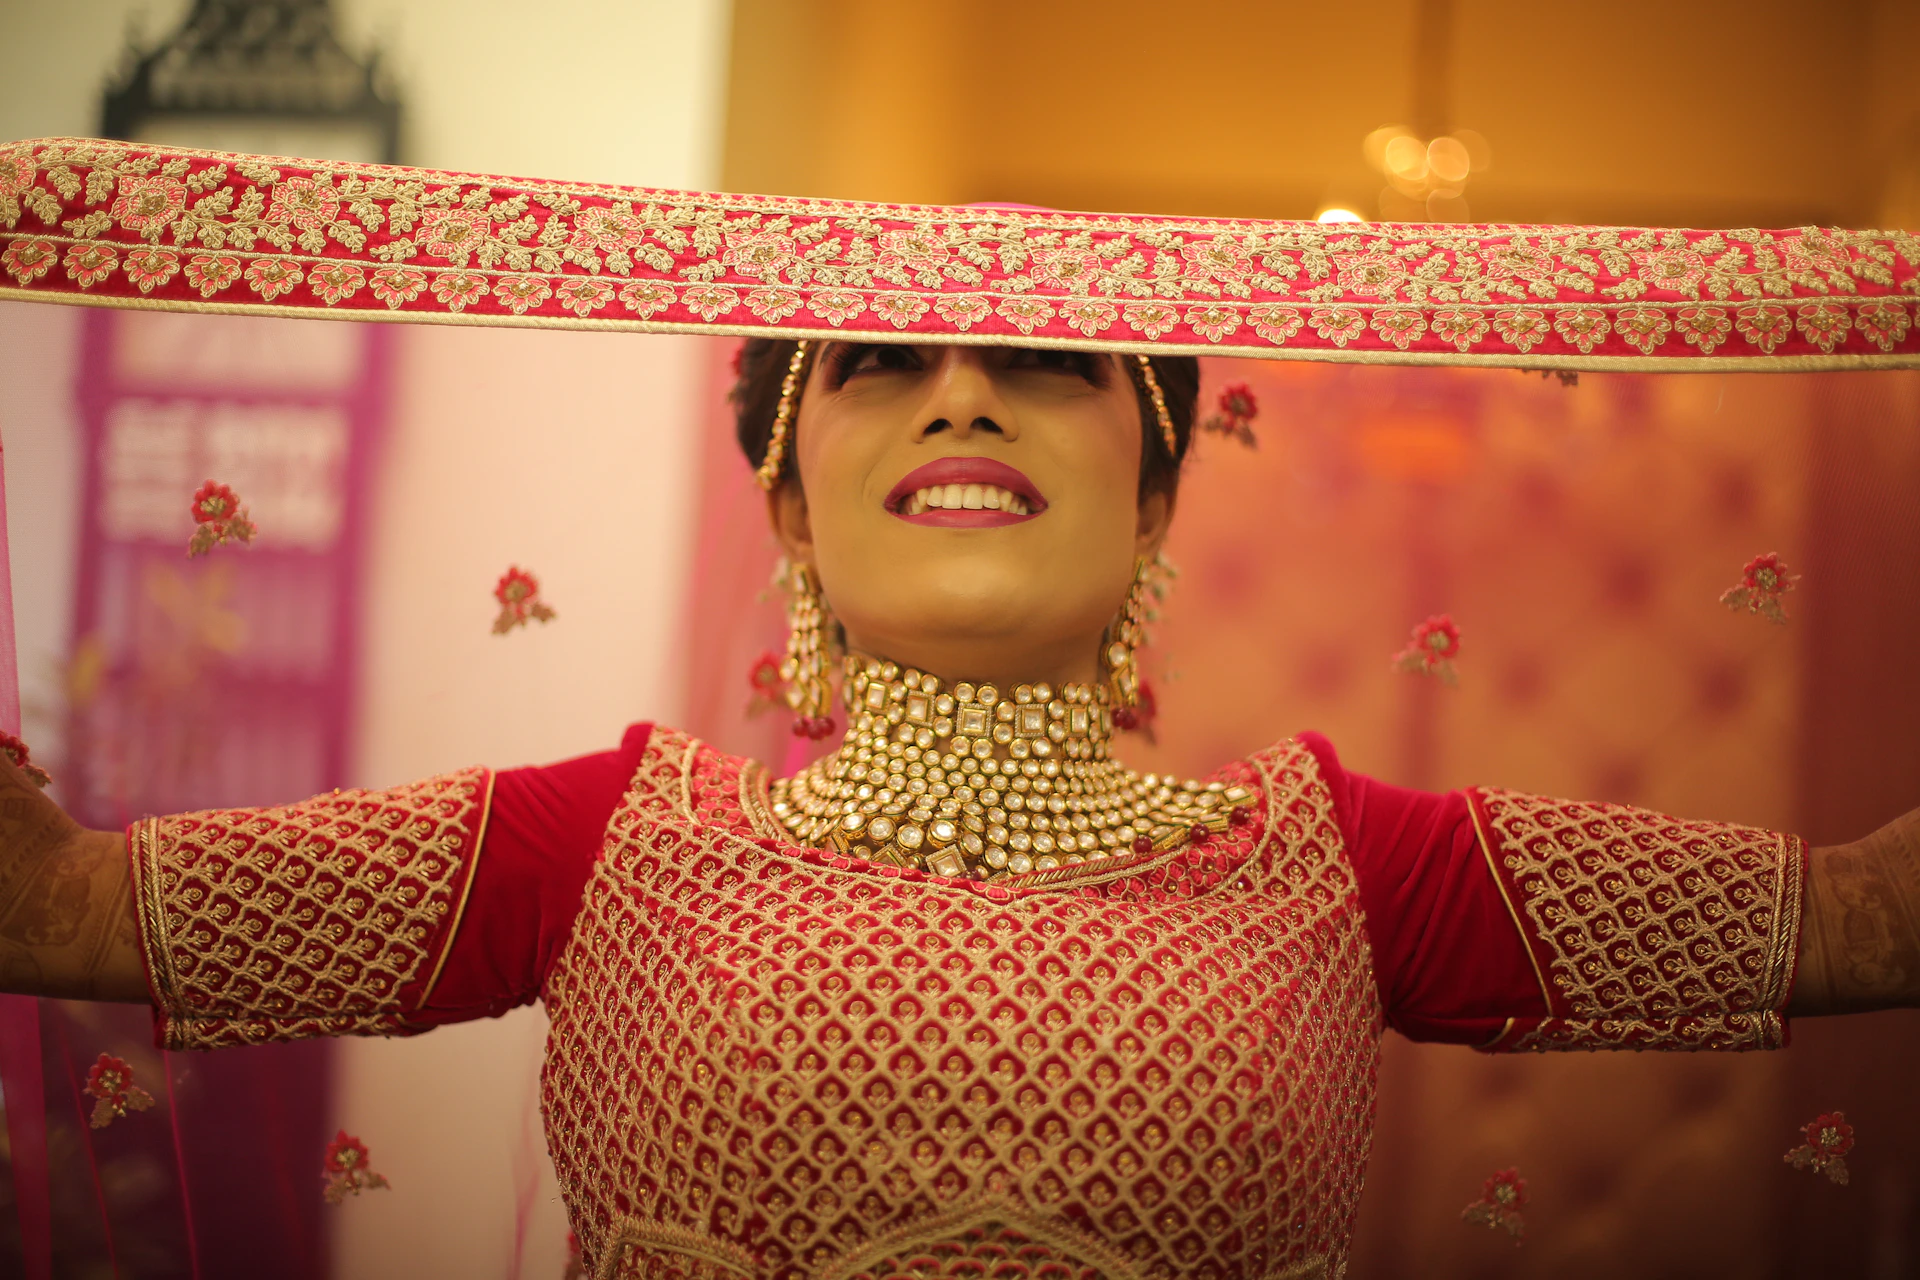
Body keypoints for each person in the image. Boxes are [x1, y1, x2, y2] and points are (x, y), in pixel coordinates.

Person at [2, 332, 1916, 1280]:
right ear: (786, 499)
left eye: (1049, 365)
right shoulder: (607, 848)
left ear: (1161, 492)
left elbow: (1863, 925)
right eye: (887, 368)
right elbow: (67, 915)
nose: (965, 401)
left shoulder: (1348, 869)